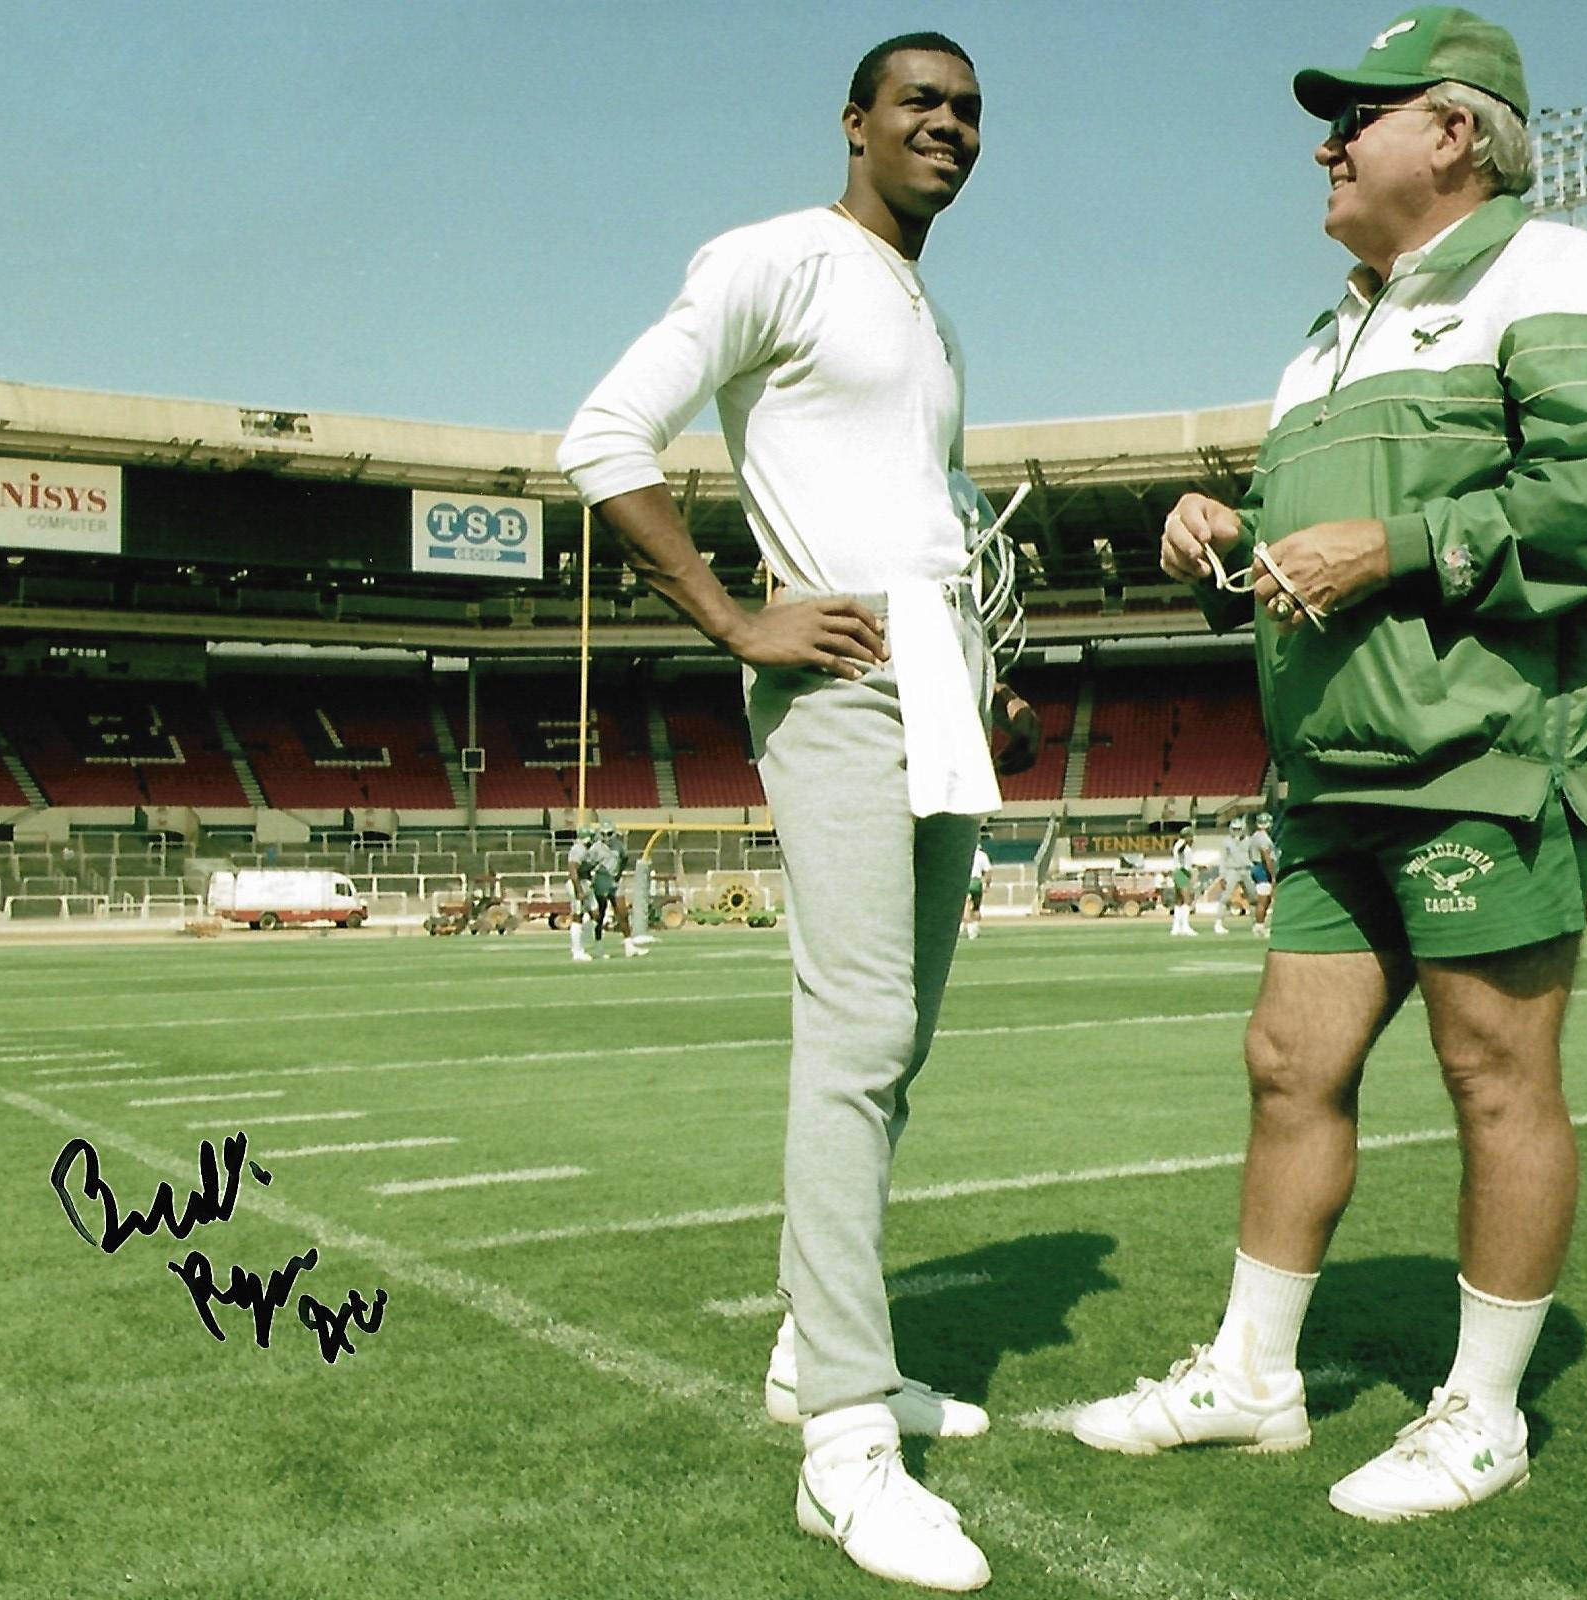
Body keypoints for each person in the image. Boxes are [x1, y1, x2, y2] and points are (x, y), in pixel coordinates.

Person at [1075, 8, 1587, 1525]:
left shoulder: (1565, 275)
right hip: (1339, 776)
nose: (1325, 139)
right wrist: (1229, 547)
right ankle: (1254, 1380)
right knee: (1288, 1064)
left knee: (1494, 1074)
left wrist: (1400, 543)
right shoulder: (1323, 337)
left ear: (1458, 133)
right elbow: (1318, 566)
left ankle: (1482, 1415)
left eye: (1360, 110)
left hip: (1486, 752)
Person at [558, 31, 1033, 1591]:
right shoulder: (776, 256)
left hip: (940, 685)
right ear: (854, 121)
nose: (948, 126)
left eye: (968, 109)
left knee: (898, 1046)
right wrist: (731, 617)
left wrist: (991, 678)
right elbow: (602, 440)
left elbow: (930, 518)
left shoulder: (931, 311)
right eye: (920, 102)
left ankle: (808, 1348)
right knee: (853, 1034)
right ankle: (843, 1439)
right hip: (835, 684)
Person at [588, 819, 649, 957]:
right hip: (602, 881)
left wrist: (619, 874)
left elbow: (624, 858)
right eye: (603, 834)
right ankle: (598, 946)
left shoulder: (618, 845)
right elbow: (589, 864)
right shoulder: (596, 848)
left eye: (609, 834)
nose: (606, 837)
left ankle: (629, 945)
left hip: (615, 882)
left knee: (622, 913)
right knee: (600, 915)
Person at [1212, 817, 1255, 936]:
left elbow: (1252, 856)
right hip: (1232, 870)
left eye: (1238, 829)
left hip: (1246, 870)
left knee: (1253, 897)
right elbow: (1223, 859)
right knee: (1225, 898)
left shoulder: (1248, 840)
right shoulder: (1227, 841)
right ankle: (1219, 922)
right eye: (1234, 829)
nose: (1236, 832)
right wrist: (1222, 876)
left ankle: (1256, 923)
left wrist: (1253, 869)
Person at [566, 824, 596, 962]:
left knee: (595, 914)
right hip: (578, 884)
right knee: (577, 916)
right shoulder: (579, 849)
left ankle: (584, 945)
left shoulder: (583, 849)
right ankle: (577, 950)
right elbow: (573, 869)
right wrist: (579, 889)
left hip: (584, 883)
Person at [1248, 810, 1280, 938]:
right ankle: (1259, 926)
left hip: (1258, 867)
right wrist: (1272, 875)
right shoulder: (1263, 838)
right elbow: (1266, 856)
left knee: (1265, 899)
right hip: (1262, 868)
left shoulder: (1255, 836)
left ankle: (1259, 926)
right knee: (1263, 900)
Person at [1168, 825, 1198, 937]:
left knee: (1179, 900)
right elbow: (1184, 862)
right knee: (1187, 899)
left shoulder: (1178, 845)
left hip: (1177, 872)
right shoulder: (1183, 846)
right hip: (1182, 873)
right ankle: (1185, 926)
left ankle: (1176, 927)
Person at [963, 837, 991, 939]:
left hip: (967, 882)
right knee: (976, 908)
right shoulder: (982, 855)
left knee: (966, 906)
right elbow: (988, 871)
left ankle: (970, 930)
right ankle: (974, 929)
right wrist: (986, 884)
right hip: (977, 883)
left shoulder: (964, 854)